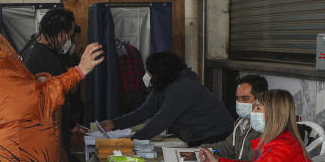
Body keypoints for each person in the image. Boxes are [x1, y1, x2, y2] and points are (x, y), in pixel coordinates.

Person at [21, 8, 94, 162]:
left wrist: (70, 126)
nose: (69, 41)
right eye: (70, 36)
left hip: (38, 143)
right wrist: (59, 149)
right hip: (47, 147)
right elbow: (51, 107)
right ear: (61, 34)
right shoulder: (44, 59)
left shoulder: (31, 50)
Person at [99, 51, 233, 146]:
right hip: (197, 134)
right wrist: (114, 124)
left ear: (159, 72)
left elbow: (161, 121)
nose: (147, 74)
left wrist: (128, 142)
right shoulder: (163, 83)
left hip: (215, 135)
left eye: (149, 71)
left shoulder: (184, 87)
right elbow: (144, 112)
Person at [208, 74, 268, 162]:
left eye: (245, 98)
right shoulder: (241, 122)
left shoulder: (263, 127)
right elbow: (227, 149)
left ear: (260, 99)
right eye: (237, 98)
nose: (239, 102)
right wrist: (204, 150)